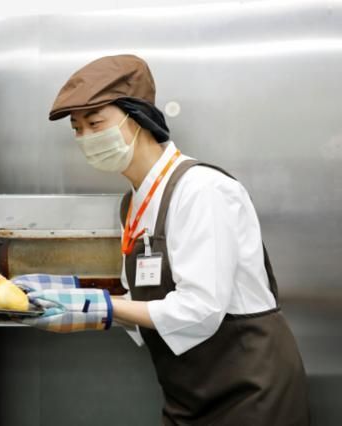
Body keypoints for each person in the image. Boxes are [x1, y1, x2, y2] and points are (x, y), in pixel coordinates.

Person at [19, 55, 310, 425]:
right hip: (188, 394)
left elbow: (200, 309)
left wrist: (99, 305)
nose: (85, 138)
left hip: (251, 390)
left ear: (138, 117)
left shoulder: (201, 189)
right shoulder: (133, 204)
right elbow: (145, 305)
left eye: (95, 123)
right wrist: (73, 301)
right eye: (77, 128)